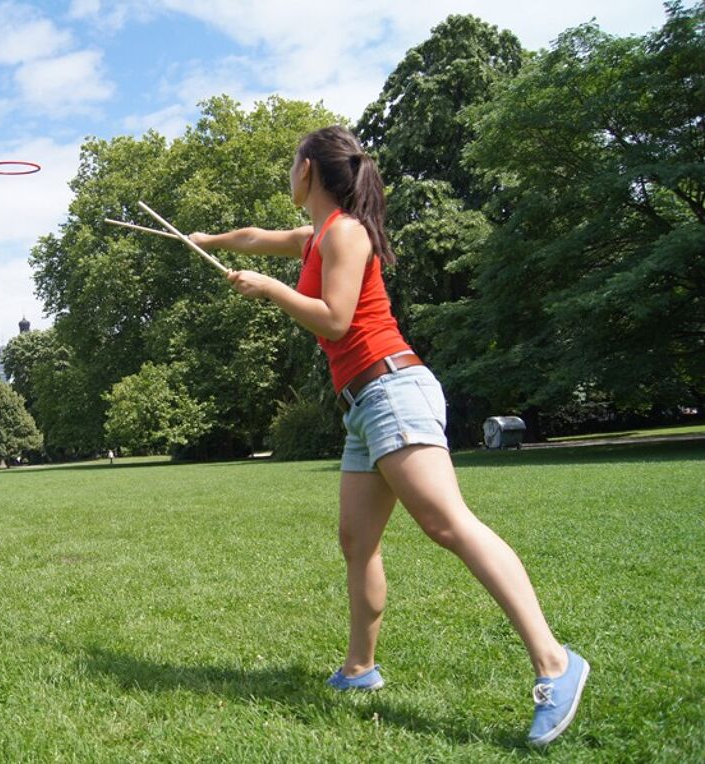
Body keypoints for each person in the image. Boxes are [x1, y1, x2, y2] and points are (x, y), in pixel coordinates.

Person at [189, 125, 588, 747]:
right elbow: (256, 238)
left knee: (446, 522)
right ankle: (359, 669)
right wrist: (205, 239)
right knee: (357, 541)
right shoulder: (320, 234)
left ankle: (555, 662)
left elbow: (336, 318)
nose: (286, 173)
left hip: (391, 387)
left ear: (309, 171)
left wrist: (270, 289)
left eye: (290, 162)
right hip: (362, 404)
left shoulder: (345, 232)